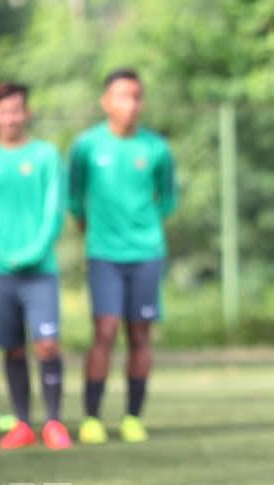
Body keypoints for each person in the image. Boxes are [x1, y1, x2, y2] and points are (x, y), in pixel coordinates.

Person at [68, 69, 177, 444]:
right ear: (106, 102)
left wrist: (143, 229)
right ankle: (92, 418)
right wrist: (96, 231)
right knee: (105, 331)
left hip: (146, 254)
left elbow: (168, 199)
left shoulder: (156, 148)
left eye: (136, 96)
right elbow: (74, 198)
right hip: (104, 255)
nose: (129, 104)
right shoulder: (86, 146)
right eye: (121, 96)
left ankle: (132, 416)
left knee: (140, 335)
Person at [0, 82, 71, 450]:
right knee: (11, 348)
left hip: (39, 270)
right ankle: (23, 423)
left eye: (17, 110)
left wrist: (31, 252)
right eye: (3, 111)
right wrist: (3, 254)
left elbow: (53, 211)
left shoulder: (45, 156)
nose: (11, 117)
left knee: (47, 344)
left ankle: (54, 422)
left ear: (27, 113)